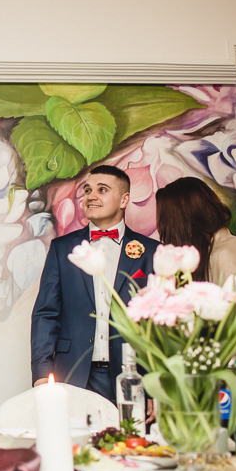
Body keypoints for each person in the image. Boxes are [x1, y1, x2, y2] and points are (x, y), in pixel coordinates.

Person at [31, 165, 160, 402]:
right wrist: (41, 374)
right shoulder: (62, 248)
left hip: (132, 373)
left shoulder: (150, 251)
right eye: (88, 190)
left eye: (102, 190)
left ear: (124, 200)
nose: (91, 196)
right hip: (72, 371)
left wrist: (155, 386)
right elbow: (46, 314)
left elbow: (159, 324)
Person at [156, 176, 236, 339]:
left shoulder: (225, 255)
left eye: (163, 220)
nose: (160, 228)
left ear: (178, 223)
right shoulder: (218, 249)